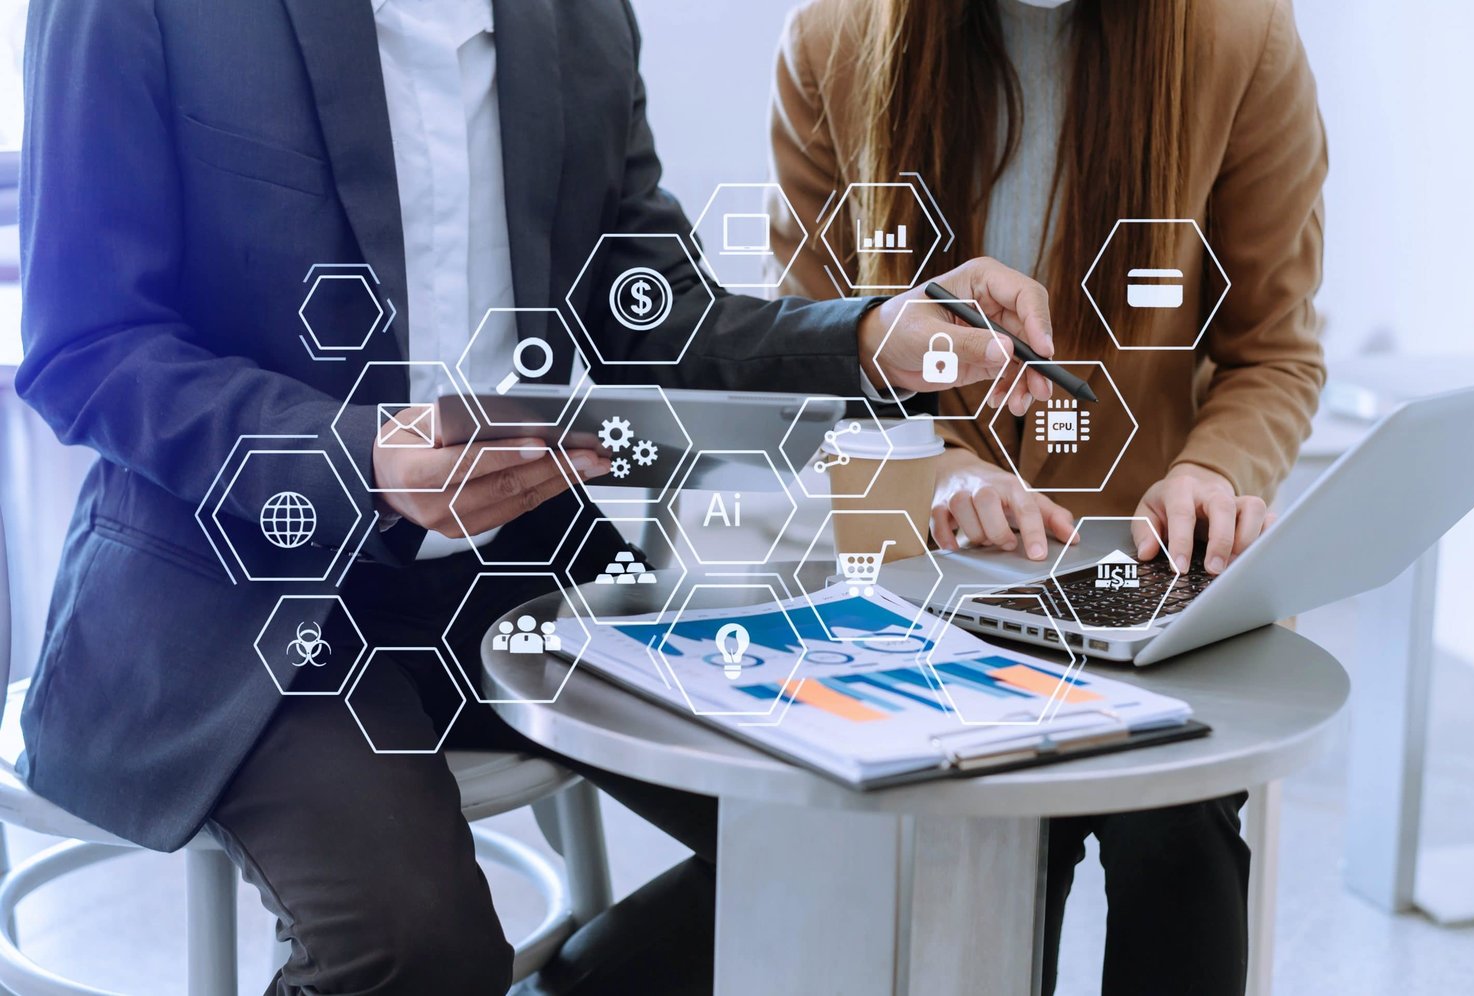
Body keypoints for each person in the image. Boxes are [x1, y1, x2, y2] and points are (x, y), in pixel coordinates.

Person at [17, 0, 1062, 993]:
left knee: (889, 827)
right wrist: (359, 458)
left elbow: (652, 320)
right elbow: (90, 345)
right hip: (239, 592)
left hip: (517, 577)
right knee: (414, 951)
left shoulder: (579, 18)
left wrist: (867, 336)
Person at [769, 0, 1326, 993]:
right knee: (975, 874)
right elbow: (800, 348)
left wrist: (1215, 471)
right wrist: (925, 464)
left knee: (1181, 841)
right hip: (929, 582)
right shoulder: (831, 39)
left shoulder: (1241, 35)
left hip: (1138, 576)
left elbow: (1272, 349)